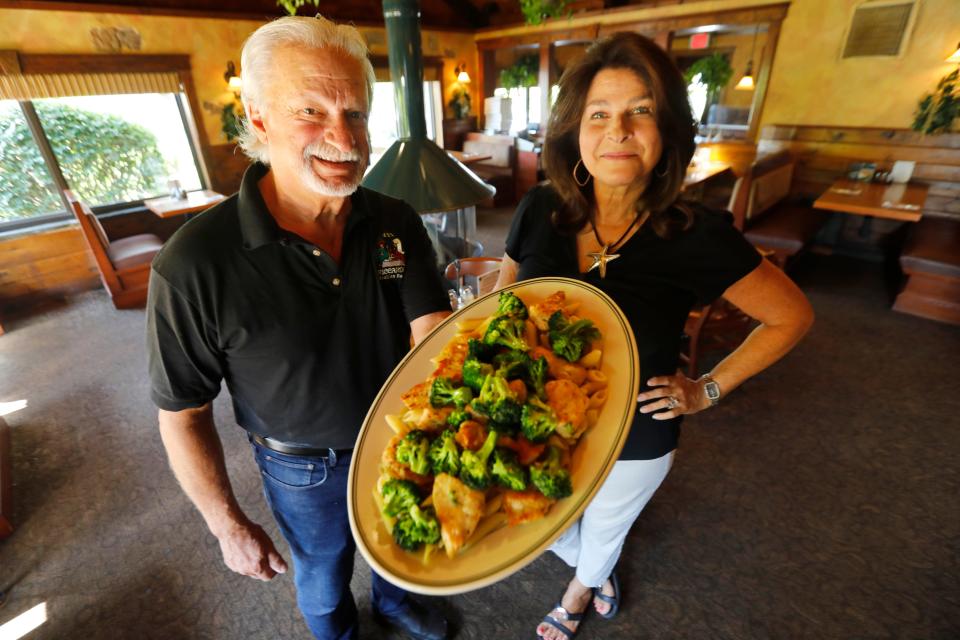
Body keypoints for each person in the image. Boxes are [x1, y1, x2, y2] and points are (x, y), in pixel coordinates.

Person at [494, 32, 814, 640]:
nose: (618, 130)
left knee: (607, 527)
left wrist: (709, 390)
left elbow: (791, 315)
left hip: (638, 425)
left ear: (666, 130)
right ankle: (589, 565)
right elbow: (504, 298)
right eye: (599, 114)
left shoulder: (696, 232)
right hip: (534, 415)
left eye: (639, 111)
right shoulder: (538, 208)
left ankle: (583, 588)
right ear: (573, 132)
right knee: (547, 522)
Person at [145, 16, 452, 640]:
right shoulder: (193, 264)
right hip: (306, 467)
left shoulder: (392, 219)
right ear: (258, 119)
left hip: (406, 434)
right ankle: (336, 631)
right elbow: (183, 413)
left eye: (357, 114)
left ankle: (395, 603)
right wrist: (226, 524)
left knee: (403, 537)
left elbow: (432, 325)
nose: (343, 137)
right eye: (310, 111)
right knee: (322, 567)